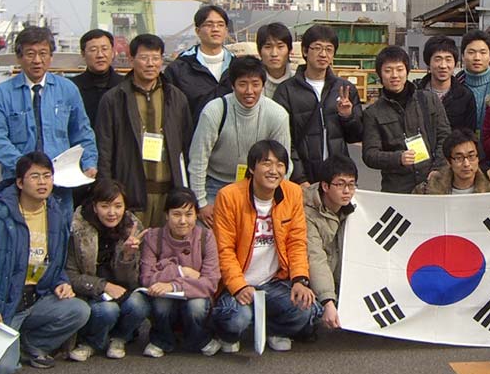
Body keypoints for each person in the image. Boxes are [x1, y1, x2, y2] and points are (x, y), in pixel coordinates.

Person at [0, 152, 91, 374]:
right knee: (2, 370)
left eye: (47, 176)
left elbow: (56, 261)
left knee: (78, 311)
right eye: (35, 176)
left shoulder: (56, 214)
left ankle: (28, 344)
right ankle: (10, 342)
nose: (43, 182)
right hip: (4, 303)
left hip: (35, 299)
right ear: (20, 182)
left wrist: (61, 282)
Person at [212, 140, 318, 353]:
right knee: (236, 321)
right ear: (252, 168)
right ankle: (231, 327)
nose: (274, 170)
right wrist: (238, 286)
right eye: (266, 164)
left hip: (273, 283)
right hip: (238, 283)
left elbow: (296, 241)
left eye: (280, 165)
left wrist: (299, 280)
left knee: (309, 311)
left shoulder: (293, 193)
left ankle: (269, 328)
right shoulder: (229, 196)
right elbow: (224, 249)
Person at [0, 26, 97, 215]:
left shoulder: (67, 89)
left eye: (43, 53)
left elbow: (81, 132)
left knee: (58, 237)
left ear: (51, 56)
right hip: (17, 182)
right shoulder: (2, 93)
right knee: (17, 236)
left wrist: (89, 163)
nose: (37, 60)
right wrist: (26, 169)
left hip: (59, 182)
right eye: (30, 54)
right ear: (19, 57)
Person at [95, 33, 193, 228]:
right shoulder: (115, 99)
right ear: (131, 59)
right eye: (144, 58)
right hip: (130, 193)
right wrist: (106, 191)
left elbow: (187, 145)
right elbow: (104, 149)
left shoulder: (176, 98)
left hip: (168, 194)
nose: (150, 64)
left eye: (156, 58)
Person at [189, 56, 295, 227]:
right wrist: (201, 203)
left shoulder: (277, 114)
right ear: (232, 85)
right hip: (216, 185)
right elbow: (198, 159)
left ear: (263, 84)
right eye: (242, 84)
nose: (249, 91)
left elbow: (284, 163)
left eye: (255, 84)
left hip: (258, 185)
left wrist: (270, 196)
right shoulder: (214, 111)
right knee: (211, 242)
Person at [65, 179, 150, 361]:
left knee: (140, 304)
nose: (112, 213)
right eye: (105, 206)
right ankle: (92, 343)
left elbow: (133, 280)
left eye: (118, 206)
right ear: (95, 207)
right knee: (107, 311)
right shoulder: (78, 228)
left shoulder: (132, 229)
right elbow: (71, 274)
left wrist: (127, 256)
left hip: (122, 292)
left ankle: (120, 338)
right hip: (90, 294)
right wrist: (103, 286)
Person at [272, 24, 363, 184]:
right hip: (303, 178)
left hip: (337, 179)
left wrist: (347, 116)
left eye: (329, 49)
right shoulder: (286, 90)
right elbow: (284, 140)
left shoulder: (344, 89)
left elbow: (355, 136)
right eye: (317, 48)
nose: (323, 54)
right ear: (305, 51)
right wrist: (299, 178)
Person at [140, 187, 222, 357]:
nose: (183, 221)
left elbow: (210, 282)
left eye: (189, 214)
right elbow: (146, 278)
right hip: (166, 296)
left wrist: (174, 285)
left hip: (194, 295)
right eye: (177, 214)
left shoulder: (206, 237)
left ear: (196, 215)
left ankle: (199, 339)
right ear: (166, 215)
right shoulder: (153, 237)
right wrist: (181, 271)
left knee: (196, 306)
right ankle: (162, 339)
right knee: (161, 302)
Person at [363, 45, 451, 193]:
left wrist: (438, 169)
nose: (394, 75)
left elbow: (445, 136)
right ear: (380, 74)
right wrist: (398, 158)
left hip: (432, 182)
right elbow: (370, 155)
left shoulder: (428, 99)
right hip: (397, 188)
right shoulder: (373, 112)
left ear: (407, 71)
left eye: (399, 69)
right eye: (388, 70)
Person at [304, 155, 359, 331]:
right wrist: (328, 300)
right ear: (325, 186)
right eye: (340, 184)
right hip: (307, 282)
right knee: (307, 315)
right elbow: (315, 259)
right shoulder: (307, 213)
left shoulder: (357, 208)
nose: (347, 191)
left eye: (351, 184)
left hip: (340, 277)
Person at [163, 4, 234, 120]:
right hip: (192, 136)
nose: (215, 29)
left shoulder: (237, 66)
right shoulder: (179, 68)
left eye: (220, 25)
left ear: (226, 31)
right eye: (209, 25)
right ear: (197, 30)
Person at [416, 35, 477, 133]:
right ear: (428, 62)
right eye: (437, 59)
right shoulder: (415, 94)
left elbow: (469, 134)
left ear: (455, 63)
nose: (443, 65)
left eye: (448, 59)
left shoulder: (465, 96)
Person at [416, 130, 490, 195]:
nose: (466, 164)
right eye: (459, 158)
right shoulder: (428, 191)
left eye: (471, 156)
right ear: (448, 161)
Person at [71, 28, 122, 129]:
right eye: (93, 50)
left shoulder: (125, 85)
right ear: (83, 54)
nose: (100, 55)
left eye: (104, 49)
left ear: (112, 52)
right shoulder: (72, 87)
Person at [453, 29, 490, 132]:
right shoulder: (454, 86)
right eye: (471, 52)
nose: (477, 58)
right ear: (463, 56)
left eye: (483, 52)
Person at [257, 22, 293, 98]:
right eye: (268, 47)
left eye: (280, 47)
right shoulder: (252, 83)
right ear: (259, 51)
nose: (274, 54)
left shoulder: (299, 80)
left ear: (289, 50)